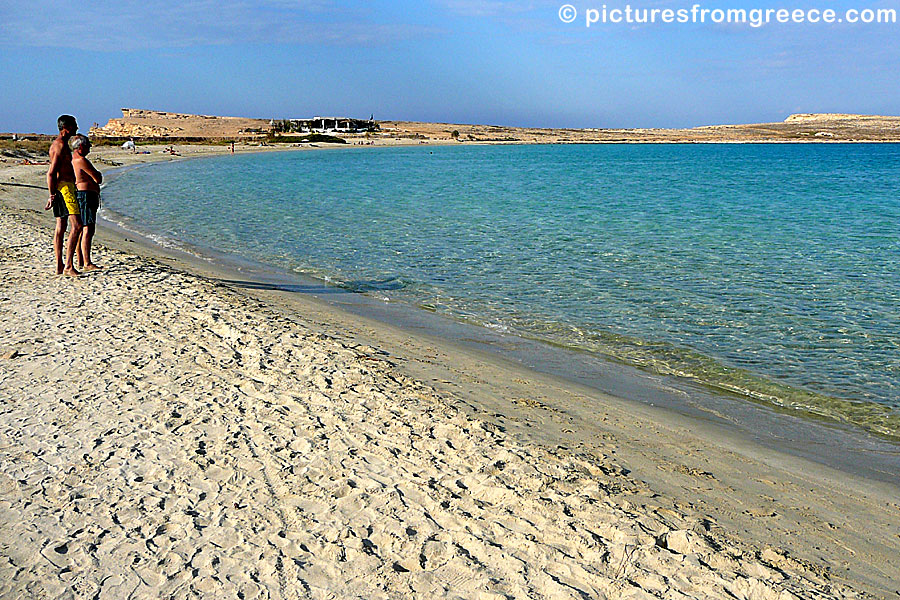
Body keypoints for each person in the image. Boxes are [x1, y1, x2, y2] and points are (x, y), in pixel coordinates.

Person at [45, 115, 82, 276]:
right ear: (66, 127)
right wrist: (51, 194)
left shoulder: (62, 145)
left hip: (64, 187)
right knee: (77, 225)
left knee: (61, 226)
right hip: (64, 188)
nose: (77, 128)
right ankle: (68, 265)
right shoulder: (59, 146)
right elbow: (51, 173)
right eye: (74, 126)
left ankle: (60, 264)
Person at [71, 135, 103, 271]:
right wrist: (98, 175)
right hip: (86, 195)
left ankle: (81, 260)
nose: (89, 148)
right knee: (88, 228)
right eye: (88, 146)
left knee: (82, 227)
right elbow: (97, 178)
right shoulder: (81, 160)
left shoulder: (73, 160)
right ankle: (87, 262)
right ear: (80, 147)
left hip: (83, 194)